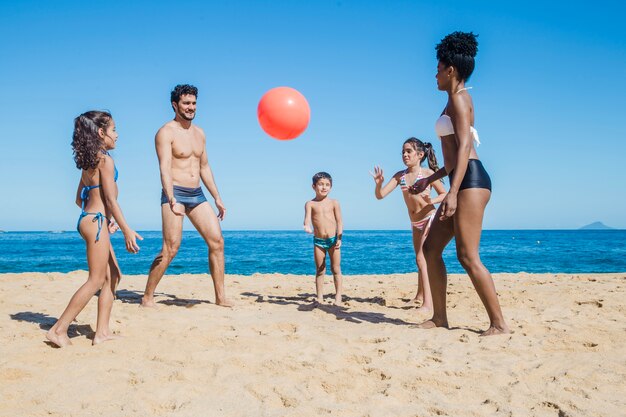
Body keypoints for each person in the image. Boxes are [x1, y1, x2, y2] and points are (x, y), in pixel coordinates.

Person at [409, 31, 510, 336]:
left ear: (450, 70)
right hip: (459, 178)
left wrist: (451, 192)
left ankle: (499, 324)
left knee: (467, 256)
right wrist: (432, 177)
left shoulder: (460, 98)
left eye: (438, 68)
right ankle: (440, 318)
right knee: (430, 249)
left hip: (470, 181)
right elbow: (453, 157)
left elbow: (465, 146)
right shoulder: (452, 101)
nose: (435, 74)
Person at [47, 111, 143, 347]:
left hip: (89, 219)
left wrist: (101, 216)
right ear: (101, 133)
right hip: (96, 222)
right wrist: (126, 229)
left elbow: (79, 199)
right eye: (114, 130)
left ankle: (102, 332)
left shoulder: (90, 161)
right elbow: (110, 200)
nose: (117, 135)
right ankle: (59, 329)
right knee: (96, 280)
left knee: (113, 276)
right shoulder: (106, 161)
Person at [141, 84, 231, 308]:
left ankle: (220, 297)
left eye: (193, 103)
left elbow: (205, 167)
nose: (191, 107)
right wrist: (171, 199)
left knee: (217, 242)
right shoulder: (165, 132)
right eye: (186, 103)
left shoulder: (200, 133)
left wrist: (217, 197)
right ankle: (147, 296)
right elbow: (164, 168)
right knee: (170, 248)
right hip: (176, 193)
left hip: (197, 194)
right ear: (175, 105)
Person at [370, 138, 447, 312]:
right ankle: (419, 296)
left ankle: (428, 304)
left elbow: (444, 194)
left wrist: (431, 199)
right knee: (419, 259)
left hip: (429, 217)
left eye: (408, 151)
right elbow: (380, 195)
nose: (405, 155)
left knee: (422, 259)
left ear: (420, 155)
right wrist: (379, 184)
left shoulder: (427, 174)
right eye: (403, 152)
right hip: (414, 222)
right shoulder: (400, 176)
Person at [303, 172, 344, 305]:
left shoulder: (334, 203)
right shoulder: (310, 204)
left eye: (327, 185)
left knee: (336, 269)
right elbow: (307, 220)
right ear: (313, 186)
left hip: (333, 240)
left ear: (331, 187)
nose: (324, 187)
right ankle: (320, 297)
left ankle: (338, 297)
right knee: (320, 269)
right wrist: (307, 226)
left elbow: (339, 221)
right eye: (321, 184)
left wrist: (339, 237)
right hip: (318, 242)